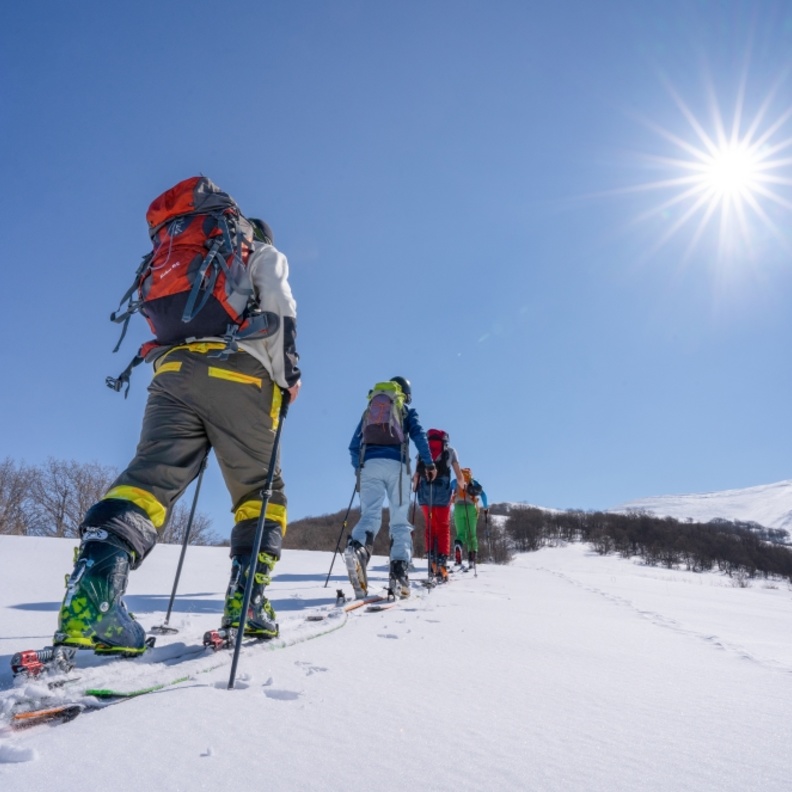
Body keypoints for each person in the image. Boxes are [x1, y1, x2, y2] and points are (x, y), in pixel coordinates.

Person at [54, 202, 301, 655]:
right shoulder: (264, 253)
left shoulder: (190, 250)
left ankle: (93, 597)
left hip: (171, 373)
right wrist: (289, 378)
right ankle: (248, 603)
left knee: (148, 481)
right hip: (241, 376)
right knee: (260, 492)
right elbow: (281, 307)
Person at [347, 376, 435, 599]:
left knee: (370, 515)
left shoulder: (371, 410)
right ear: (406, 394)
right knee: (399, 521)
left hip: (369, 465)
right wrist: (429, 463)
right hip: (398, 468)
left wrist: (360, 469)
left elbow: (353, 446)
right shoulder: (405, 411)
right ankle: (399, 574)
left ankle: (357, 549)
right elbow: (420, 437)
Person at [412, 429, 465, 583]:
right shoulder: (450, 451)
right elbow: (459, 475)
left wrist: (415, 488)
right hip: (442, 495)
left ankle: (431, 560)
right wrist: (461, 487)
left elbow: (416, 475)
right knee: (443, 527)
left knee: (430, 527)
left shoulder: (423, 451)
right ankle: (442, 561)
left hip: (425, 495)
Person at [451, 468, 488, 569]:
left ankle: (458, 548)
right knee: (472, 534)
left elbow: (448, 490)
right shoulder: (473, 482)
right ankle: (472, 559)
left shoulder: (455, 481)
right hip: (471, 508)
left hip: (458, 508)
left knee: (460, 534)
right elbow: (483, 495)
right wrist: (485, 508)